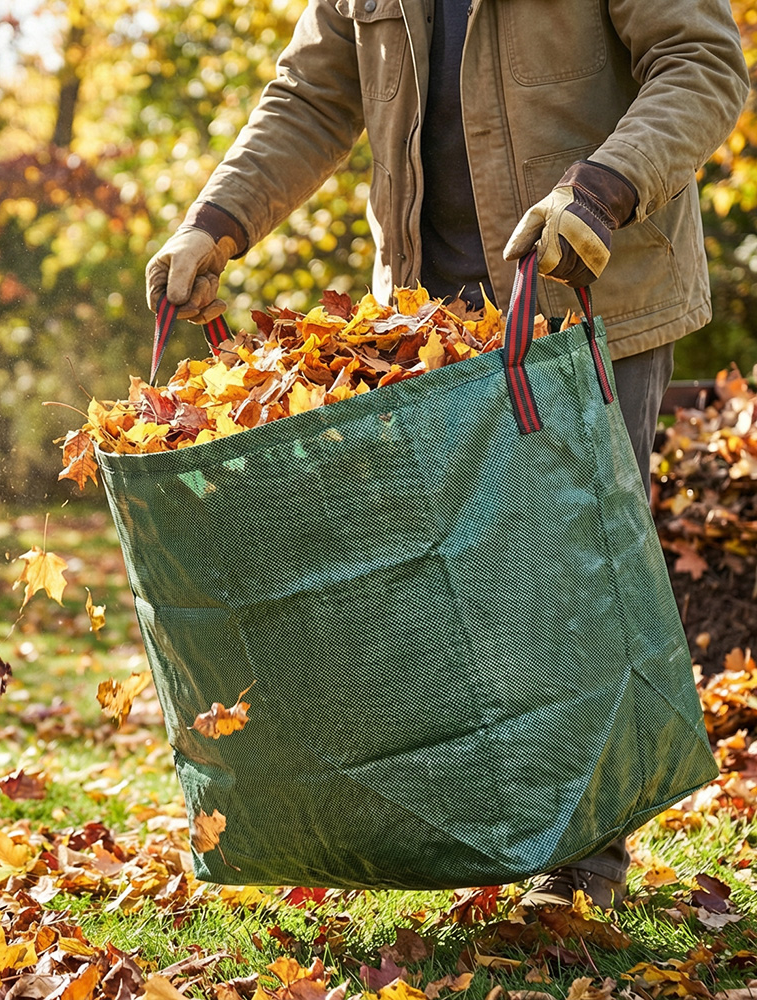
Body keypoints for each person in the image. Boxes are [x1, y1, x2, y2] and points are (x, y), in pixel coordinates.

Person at [145, 0, 749, 908]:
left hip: (588, 291)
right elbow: (311, 95)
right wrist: (215, 220)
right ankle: (468, 831)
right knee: (440, 593)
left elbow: (702, 61)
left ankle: (582, 866)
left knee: (570, 584)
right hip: (426, 323)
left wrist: (605, 187)